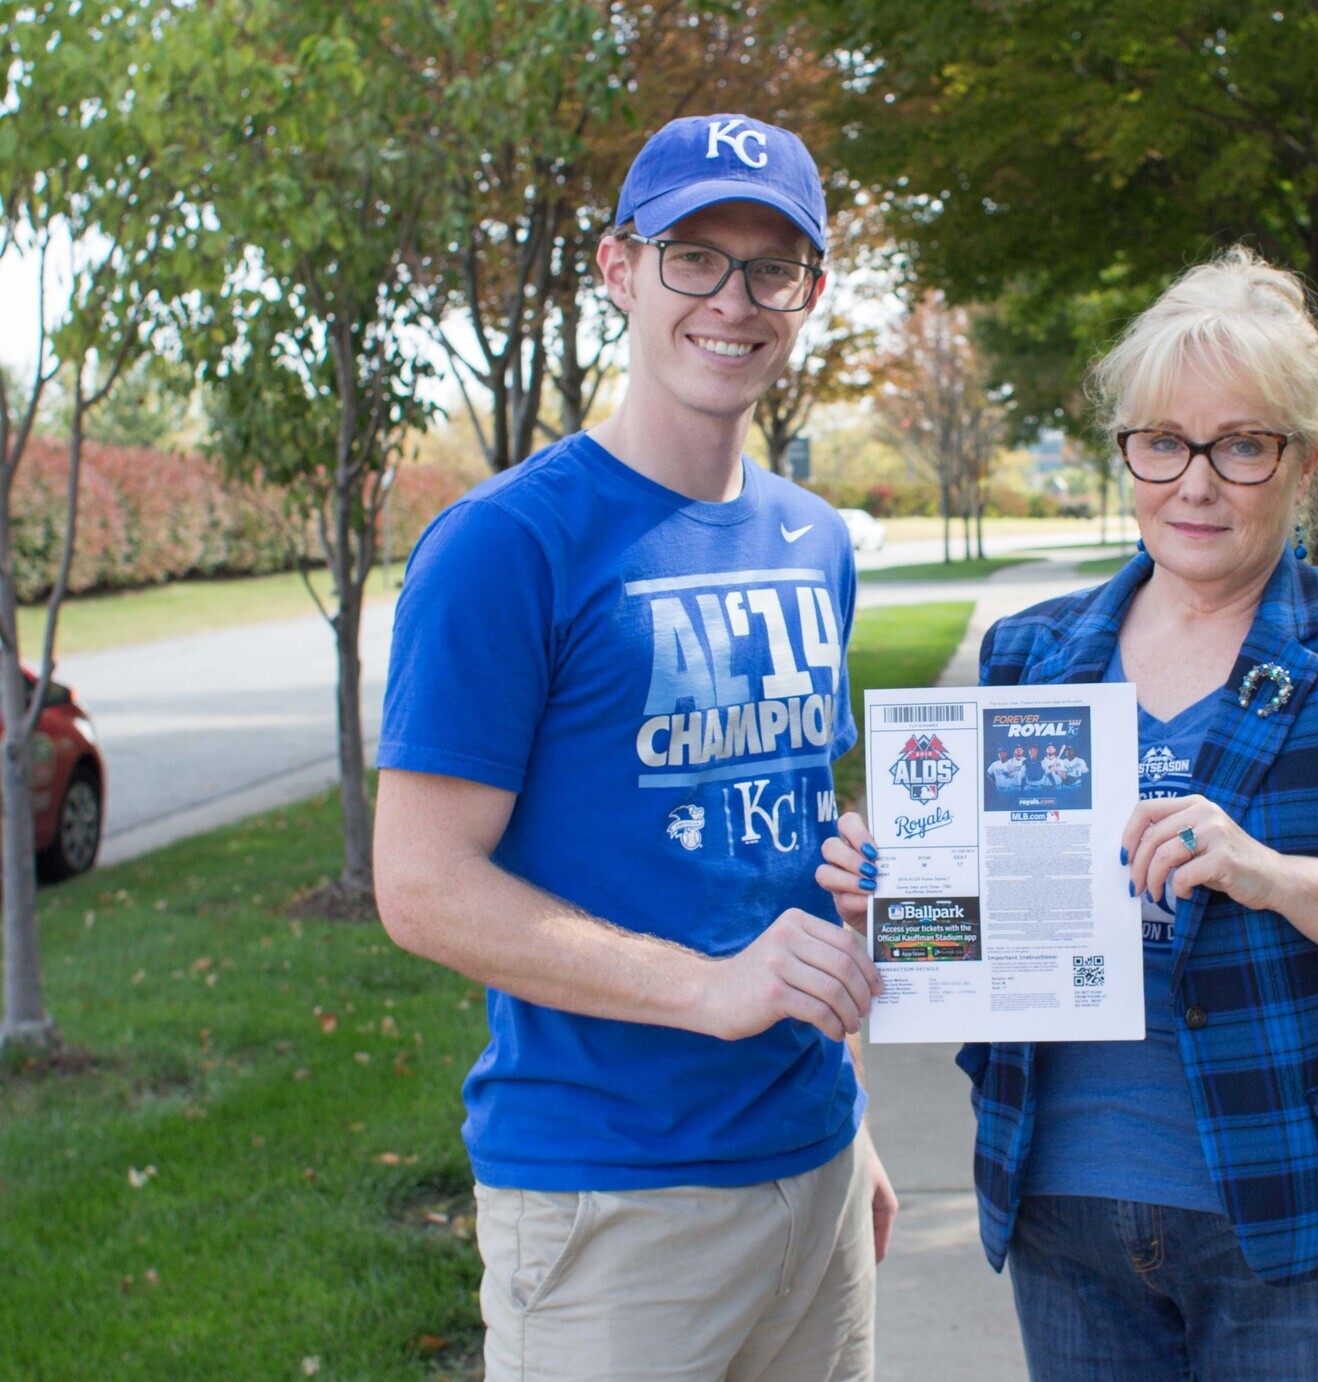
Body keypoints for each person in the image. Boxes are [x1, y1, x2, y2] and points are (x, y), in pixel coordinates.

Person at [821, 247, 1318, 1379]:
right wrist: (899, 891)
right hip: (1064, 1214)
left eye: (1239, 444)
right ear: (1127, 450)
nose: (1193, 481)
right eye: (1160, 441)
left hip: (1308, 1223)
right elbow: (981, 942)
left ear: (1303, 464)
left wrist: (1272, 872)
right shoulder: (1034, 652)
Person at [374, 113, 894, 1382]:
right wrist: (703, 987)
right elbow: (421, 884)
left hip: (814, 1177)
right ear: (618, 269)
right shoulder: (505, 545)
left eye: (770, 267)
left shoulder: (811, 540)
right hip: (611, 1202)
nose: (734, 297)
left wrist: (856, 1111)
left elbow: (786, 849)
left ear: (809, 294)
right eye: (692, 256)